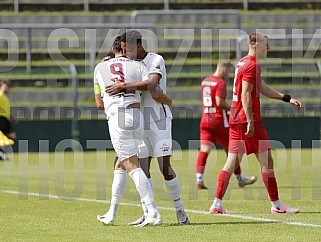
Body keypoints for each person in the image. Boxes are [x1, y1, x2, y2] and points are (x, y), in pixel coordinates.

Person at [209, 32, 301, 214]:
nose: (268, 48)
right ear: (255, 45)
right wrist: (250, 121)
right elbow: (245, 94)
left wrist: (286, 98)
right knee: (267, 161)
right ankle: (277, 205)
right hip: (248, 120)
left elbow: (262, 88)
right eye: (266, 44)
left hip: (236, 119)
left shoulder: (242, 62)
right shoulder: (252, 65)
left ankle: (216, 204)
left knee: (231, 162)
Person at [105, 30, 190, 225]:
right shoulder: (130, 63)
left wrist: (124, 86)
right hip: (140, 120)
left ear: (138, 46)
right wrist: (109, 62)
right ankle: (148, 213)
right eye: (123, 50)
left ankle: (180, 211)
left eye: (128, 50)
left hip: (159, 119)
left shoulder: (155, 59)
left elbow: (152, 84)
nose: (125, 54)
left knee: (165, 167)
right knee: (142, 167)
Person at [94, 35, 162, 227]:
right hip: (137, 116)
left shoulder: (100, 67)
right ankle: (111, 213)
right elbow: (151, 87)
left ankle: (153, 212)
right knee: (120, 164)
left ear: (111, 51)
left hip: (118, 117)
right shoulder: (137, 65)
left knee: (132, 166)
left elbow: (99, 103)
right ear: (124, 50)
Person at [196, 60, 257, 189]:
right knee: (232, 151)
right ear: (223, 69)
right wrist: (232, 108)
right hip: (219, 121)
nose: (228, 75)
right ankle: (240, 179)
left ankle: (199, 179)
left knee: (204, 150)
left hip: (205, 120)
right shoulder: (220, 83)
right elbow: (219, 102)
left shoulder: (205, 81)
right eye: (228, 72)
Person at [0, 80, 16, 161]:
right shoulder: (0, 95)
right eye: (5, 86)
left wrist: (12, 118)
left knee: (9, 137)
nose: (7, 88)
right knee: (10, 136)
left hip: (5, 119)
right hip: (1, 119)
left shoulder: (5, 97)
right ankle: (2, 153)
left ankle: (2, 153)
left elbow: (6, 110)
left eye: (8, 86)